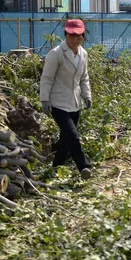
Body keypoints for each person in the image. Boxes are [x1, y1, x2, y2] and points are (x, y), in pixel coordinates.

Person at [40, 19, 93, 179]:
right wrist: (44, 100)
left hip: (75, 103)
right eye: (71, 35)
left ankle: (56, 168)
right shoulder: (56, 54)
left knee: (65, 139)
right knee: (73, 137)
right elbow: (47, 78)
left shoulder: (83, 54)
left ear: (82, 36)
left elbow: (84, 78)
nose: (74, 38)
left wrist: (87, 95)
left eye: (78, 35)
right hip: (58, 103)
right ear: (65, 35)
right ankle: (84, 167)